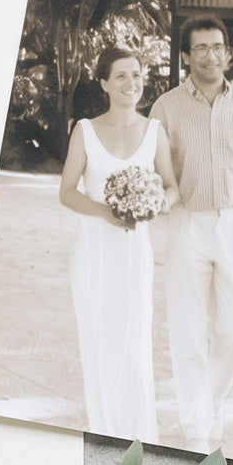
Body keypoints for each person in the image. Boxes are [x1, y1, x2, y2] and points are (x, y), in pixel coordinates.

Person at [150, 15, 233, 452]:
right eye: (201, 48)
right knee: (188, 329)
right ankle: (195, 428)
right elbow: (154, 172)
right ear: (186, 56)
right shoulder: (165, 108)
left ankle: (208, 405)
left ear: (228, 52)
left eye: (217, 47)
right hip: (187, 222)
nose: (211, 55)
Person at [60, 47, 179, 442]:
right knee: (98, 336)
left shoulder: (155, 130)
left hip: (134, 253)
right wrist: (103, 212)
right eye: (122, 76)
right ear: (104, 84)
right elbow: (66, 192)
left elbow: (172, 187)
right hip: (94, 250)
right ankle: (104, 431)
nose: (132, 82)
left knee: (133, 338)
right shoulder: (85, 130)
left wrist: (155, 202)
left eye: (137, 74)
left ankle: (139, 436)